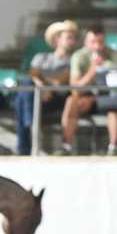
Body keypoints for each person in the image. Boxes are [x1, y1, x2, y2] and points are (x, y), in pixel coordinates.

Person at [59, 25, 117, 156]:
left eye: (100, 42)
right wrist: (93, 70)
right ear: (86, 42)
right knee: (71, 101)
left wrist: (94, 98)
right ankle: (66, 146)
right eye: (93, 42)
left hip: (109, 96)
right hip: (85, 98)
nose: (97, 46)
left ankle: (113, 147)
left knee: (114, 104)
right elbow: (75, 89)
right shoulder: (78, 56)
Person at [15, 20, 78, 155]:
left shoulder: (73, 60)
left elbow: (61, 80)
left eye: (73, 38)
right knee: (26, 89)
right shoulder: (41, 57)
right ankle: (33, 136)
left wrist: (42, 81)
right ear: (57, 39)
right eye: (68, 38)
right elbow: (33, 75)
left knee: (22, 98)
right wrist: (42, 87)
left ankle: (27, 144)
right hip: (39, 94)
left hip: (56, 98)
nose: (72, 41)